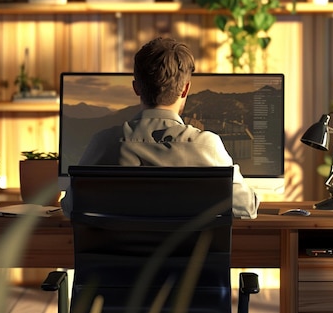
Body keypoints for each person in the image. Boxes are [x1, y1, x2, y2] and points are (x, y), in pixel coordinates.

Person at [61, 37, 260, 219]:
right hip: (189, 258)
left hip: (120, 258)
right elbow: (246, 207)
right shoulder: (206, 146)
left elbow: (70, 206)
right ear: (185, 89)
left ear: (136, 87)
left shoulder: (104, 143)